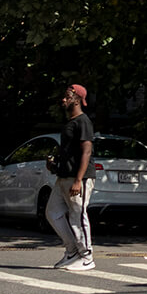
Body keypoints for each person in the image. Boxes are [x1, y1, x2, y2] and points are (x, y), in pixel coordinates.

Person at [47, 84, 96, 271]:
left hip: (78, 179)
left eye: (67, 96)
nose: (63, 100)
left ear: (77, 99)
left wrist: (78, 180)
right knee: (53, 212)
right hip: (64, 177)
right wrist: (55, 166)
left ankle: (87, 257)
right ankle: (72, 251)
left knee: (78, 215)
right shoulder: (70, 122)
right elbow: (69, 152)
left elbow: (86, 151)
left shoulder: (83, 121)